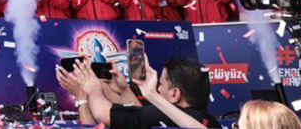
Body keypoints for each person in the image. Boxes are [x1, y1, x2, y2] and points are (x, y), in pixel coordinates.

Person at [60, 55, 218, 129]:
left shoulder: (162, 115)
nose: (158, 89)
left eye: (161, 84)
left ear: (175, 94)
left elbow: (103, 114)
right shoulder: (211, 122)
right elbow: (140, 118)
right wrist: (124, 90)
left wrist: (91, 88)